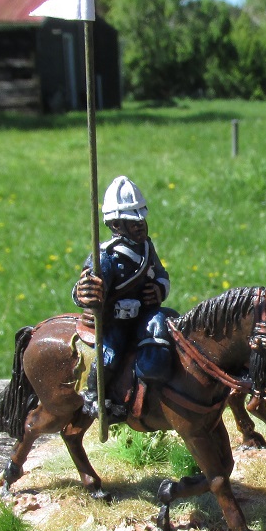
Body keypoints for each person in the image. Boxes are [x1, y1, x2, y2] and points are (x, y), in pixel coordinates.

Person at [72, 175, 170, 418]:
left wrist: (159, 289)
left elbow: (161, 274)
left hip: (145, 314)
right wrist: (85, 294)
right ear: (116, 225)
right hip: (115, 321)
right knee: (110, 354)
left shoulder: (147, 247)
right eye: (132, 222)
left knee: (171, 329)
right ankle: (94, 396)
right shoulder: (105, 257)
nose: (140, 226)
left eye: (141, 220)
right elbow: (84, 290)